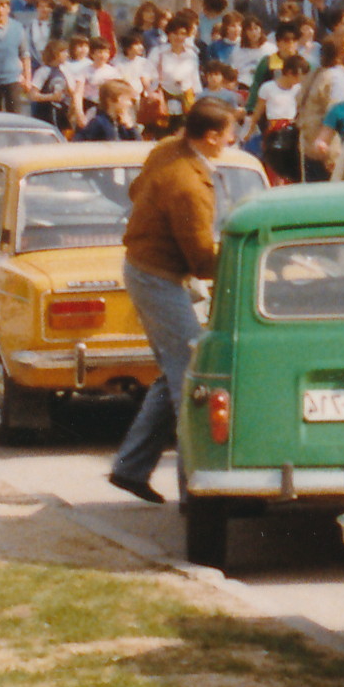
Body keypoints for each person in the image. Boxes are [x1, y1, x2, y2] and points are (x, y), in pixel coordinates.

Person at [104, 100, 238, 505]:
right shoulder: (189, 184)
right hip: (157, 277)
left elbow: (134, 190)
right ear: (212, 137)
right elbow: (200, 258)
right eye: (229, 134)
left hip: (147, 268)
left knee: (176, 369)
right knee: (190, 379)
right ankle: (194, 490)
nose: (233, 141)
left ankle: (130, 468)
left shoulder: (167, 149)